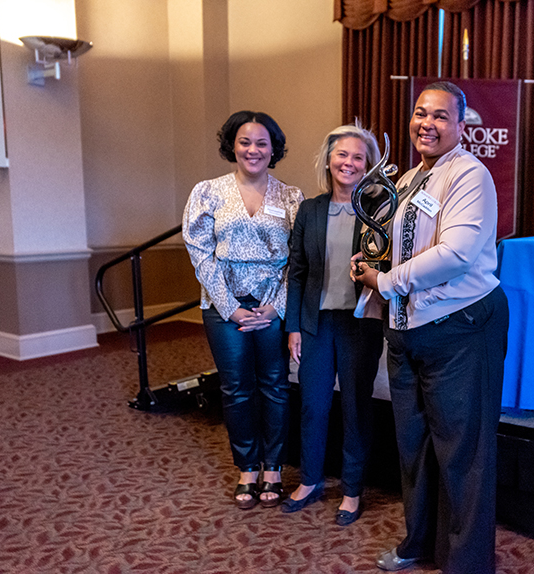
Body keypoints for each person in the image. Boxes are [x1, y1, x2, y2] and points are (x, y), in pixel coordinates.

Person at [352, 82, 509, 574]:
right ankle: (419, 542)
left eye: (441, 116)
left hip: (459, 331)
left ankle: (467, 563)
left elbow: (456, 254)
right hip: (405, 335)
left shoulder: (469, 174)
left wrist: (387, 279)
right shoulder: (412, 178)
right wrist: (371, 263)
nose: (428, 123)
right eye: (421, 113)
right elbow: (404, 245)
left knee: (464, 455)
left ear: (462, 126)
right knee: (414, 449)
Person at [183, 110, 304, 510]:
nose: (253, 149)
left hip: (273, 306)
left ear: (274, 148)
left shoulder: (291, 197)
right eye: (245, 142)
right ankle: (247, 467)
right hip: (223, 307)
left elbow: (298, 260)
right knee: (236, 390)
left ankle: (274, 468)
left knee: (275, 387)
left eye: (262, 143)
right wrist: (230, 307)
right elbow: (200, 254)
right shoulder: (207, 192)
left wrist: (276, 307)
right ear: (232, 145)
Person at [282, 123, 384, 526]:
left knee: (357, 408)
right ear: (329, 160)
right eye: (342, 155)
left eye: (358, 157)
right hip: (315, 323)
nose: (349, 163)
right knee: (313, 405)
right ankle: (310, 480)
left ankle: (352, 489)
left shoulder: (379, 212)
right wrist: (292, 325)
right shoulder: (309, 209)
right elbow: (298, 271)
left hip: (360, 324)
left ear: (368, 166)